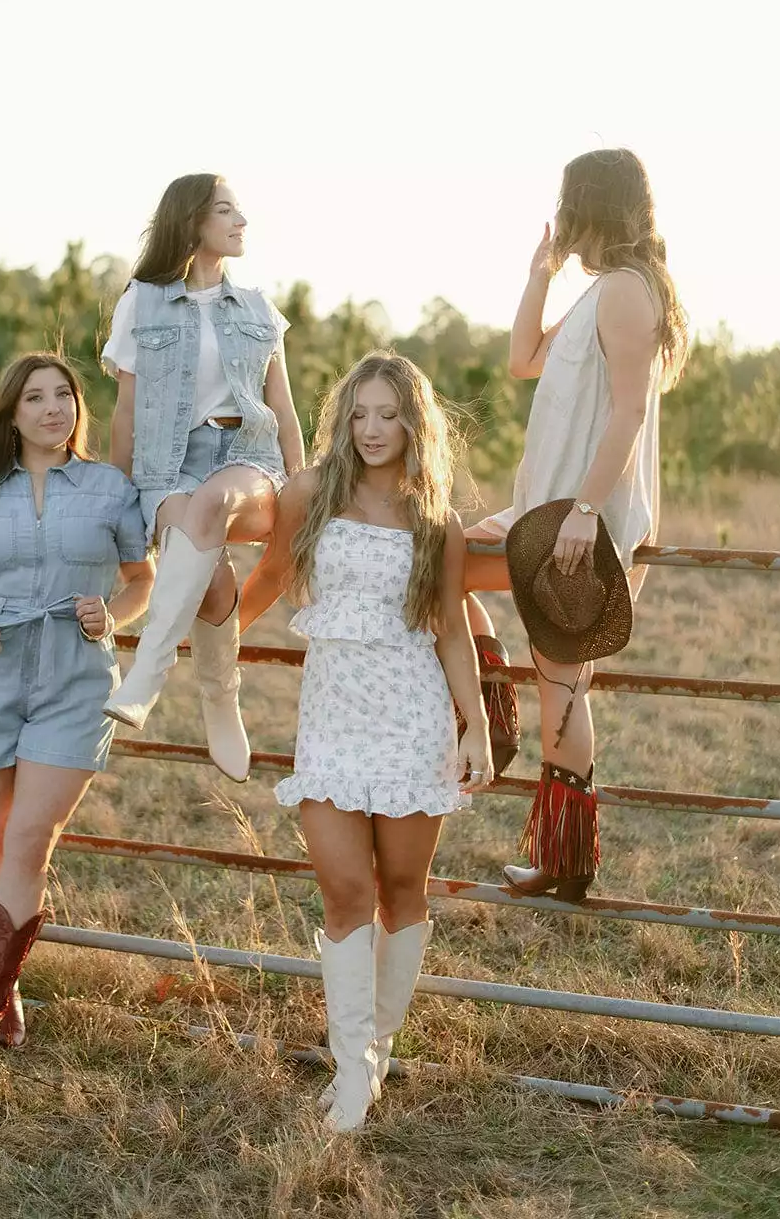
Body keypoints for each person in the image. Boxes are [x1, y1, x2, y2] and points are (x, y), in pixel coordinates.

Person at [239, 352, 494, 1133]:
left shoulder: (436, 520)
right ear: (343, 420)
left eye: (389, 415)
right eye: (360, 414)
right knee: (345, 892)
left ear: (415, 424)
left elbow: (451, 629)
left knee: (401, 894)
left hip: (413, 718)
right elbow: (272, 575)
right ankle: (353, 1072)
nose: (374, 430)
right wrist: (214, 644)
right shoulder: (313, 492)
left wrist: (474, 724)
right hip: (334, 718)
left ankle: (374, 1053)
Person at [463, 148, 688, 902]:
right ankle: (493, 700)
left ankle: (566, 863)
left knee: (562, 681)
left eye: (568, 201)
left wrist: (586, 512)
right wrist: (541, 272)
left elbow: (627, 412)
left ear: (592, 202)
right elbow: (523, 357)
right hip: (549, 510)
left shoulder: (627, 292)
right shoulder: (602, 291)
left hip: (577, 517)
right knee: (447, 564)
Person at [0, 352, 154, 1073]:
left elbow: (140, 578)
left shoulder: (110, 488)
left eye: (65, 395)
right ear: (13, 412)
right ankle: (6, 989)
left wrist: (108, 613)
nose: (54, 408)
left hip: (75, 680)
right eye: (36, 397)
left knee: (27, 839)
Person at [100, 174, 305, 781]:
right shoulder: (142, 301)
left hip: (248, 458)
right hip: (168, 465)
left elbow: (285, 408)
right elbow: (127, 411)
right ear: (192, 222)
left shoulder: (260, 308)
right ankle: (220, 697)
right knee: (212, 587)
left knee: (213, 501)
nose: (241, 220)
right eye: (226, 210)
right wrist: (119, 496)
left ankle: (148, 672)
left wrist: (301, 486)